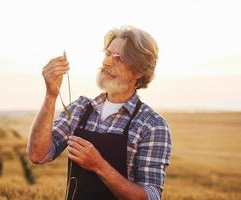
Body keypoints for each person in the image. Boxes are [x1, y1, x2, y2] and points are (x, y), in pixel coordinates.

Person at [27, 25, 172, 200]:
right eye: (108, 54)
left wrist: (99, 165)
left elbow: (151, 196)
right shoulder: (80, 109)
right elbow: (38, 154)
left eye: (119, 58)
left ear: (139, 71)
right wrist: (51, 95)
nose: (107, 62)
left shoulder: (152, 125)